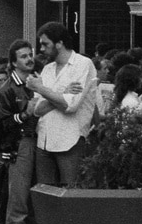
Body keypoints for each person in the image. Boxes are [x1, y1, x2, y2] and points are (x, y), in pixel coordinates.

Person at [0, 40, 46, 224]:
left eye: (30, 55)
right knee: (19, 205)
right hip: (20, 144)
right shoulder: (6, 90)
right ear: (13, 62)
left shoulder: (37, 83)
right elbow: (0, 126)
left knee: (34, 204)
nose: (29, 59)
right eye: (23, 56)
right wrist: (24, 114)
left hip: (39, 142)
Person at [27, 22, 98, 187]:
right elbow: (37, 110)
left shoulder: (83, 64)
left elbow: (70, 107)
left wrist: (42, 89)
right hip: (44, 139)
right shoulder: (47, 69)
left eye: (45, 44)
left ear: (59, 43)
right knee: (45, 194)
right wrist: (62, 93)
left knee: (71, 193)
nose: (42, 49)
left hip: (70, 139)